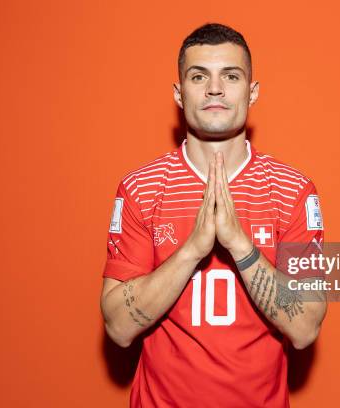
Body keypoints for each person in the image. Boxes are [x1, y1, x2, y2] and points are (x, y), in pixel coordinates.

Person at [100, 22, 327, 408]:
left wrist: (239, 244)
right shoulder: (141, 188)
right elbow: (118, 327)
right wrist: (192, 250)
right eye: (198, 76)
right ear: (178, 93)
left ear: (252, 92)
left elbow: (305, 327)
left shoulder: (292, 190)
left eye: (231, 76)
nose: (215, 89)